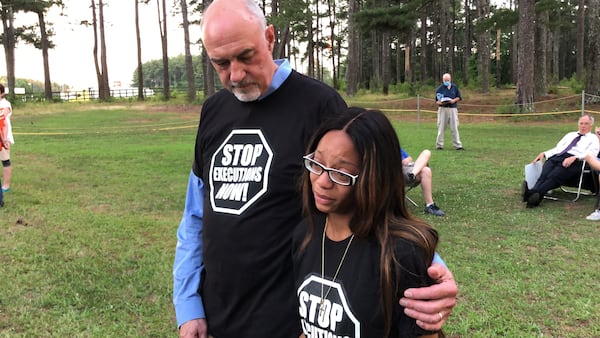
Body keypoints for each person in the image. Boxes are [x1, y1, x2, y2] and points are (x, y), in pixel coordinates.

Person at [173, 0, 458, 337]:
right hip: (217, 315)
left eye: (246, 56)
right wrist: (188, 303)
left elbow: (376, 192)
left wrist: (432, 269)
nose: (235, 75)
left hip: (289, 318)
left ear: (269, 37)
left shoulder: (318, 103)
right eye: (221, 63)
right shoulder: (213, 111)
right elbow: (195, 216)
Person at [293, 107, 442, 337]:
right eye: (317, 163)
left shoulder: (400, 254)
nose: (321, 181)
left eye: (341, 173)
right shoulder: (306, 234)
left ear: (374, 177)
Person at [522, 114, 599, 208]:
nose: (583, 126)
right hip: (558, 156)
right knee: (544, 175)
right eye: (581, 123)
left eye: (586, 124)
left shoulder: (593, 139)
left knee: (554, 176)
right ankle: (534, 195)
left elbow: (591, 154)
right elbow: (558, 148)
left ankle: (531, 194)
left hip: (576, 160)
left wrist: (575, 157)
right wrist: (544, 153)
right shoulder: (570, 135)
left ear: (591, 125)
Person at [401, 148, 445, 216]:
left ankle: (430, 206)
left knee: (426, 153)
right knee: (425, 169)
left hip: (408, 169)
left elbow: (409, 159)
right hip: (396, 173)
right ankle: (412, 174)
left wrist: (406, 161)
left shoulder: (396, 147)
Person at [435, 73, 463, 150]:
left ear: (450, 79)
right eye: (445, 80)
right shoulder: (439, 89)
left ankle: (457, 145)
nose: (447, 81)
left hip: (452, 109)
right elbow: (437, 101)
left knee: (454, 127)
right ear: (443, 80)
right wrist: (441, 102)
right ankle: (439, 145)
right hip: (443, 109)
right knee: (441, 127)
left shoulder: (454, 87)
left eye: (448, 80)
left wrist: (453, 100)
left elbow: (459, 97)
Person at [0, 84, 13, 193]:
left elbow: (3, 119)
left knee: (5, 160)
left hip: (4, 136)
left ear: (2, 93)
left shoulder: (5, 104)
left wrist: (4, 139)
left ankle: (6, 185)